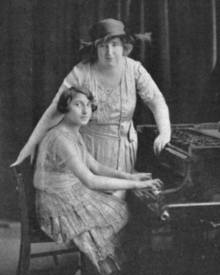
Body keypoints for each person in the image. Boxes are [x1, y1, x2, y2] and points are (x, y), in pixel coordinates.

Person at [33, 85, 162, 275]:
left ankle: (89, 267)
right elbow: (91, 180)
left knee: (119, 208)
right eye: (78, 104)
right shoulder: (61, 139)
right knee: (122, 211)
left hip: (66, 194)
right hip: (57, 204)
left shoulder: (72, 132)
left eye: (88, 105)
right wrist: (136, 186)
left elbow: (96, 166)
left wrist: (130, 177)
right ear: (65, 108)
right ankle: (89, 270)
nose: (85, 110)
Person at [12, 18, 171, 173]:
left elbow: (156, 100)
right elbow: (56, 109)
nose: (109, 52)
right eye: (102, 45)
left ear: (124, 45)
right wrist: (31, 144)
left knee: (121, 195)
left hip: (125, 150)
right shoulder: (82, 72)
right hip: (89, 150)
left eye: (114, 45)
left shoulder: (134, 69)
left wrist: (165, 131)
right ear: (95, 48)